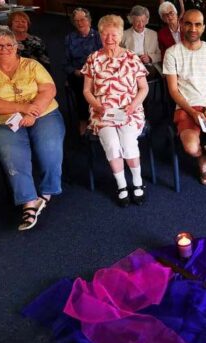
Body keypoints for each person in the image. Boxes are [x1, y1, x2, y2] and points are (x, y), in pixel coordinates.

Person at [0, 26, 65, 231]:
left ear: (16, 47)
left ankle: (48, 190)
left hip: (43, 112)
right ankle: (29, 202)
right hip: (1, 120)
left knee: (50, 147)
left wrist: (32, 112)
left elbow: (48, 89)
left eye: (9, 45)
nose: (4, 49)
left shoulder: (32, 65)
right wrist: (22, 108)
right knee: (13, 156)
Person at [82, 15, 150, 207]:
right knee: (112, 144)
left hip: (130, 110)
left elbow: (144, 88)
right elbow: (86, 90)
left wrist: (132, 106)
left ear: (120, 35)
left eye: (114, 34)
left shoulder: (132, 58)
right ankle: (121, 185)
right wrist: (97, 106)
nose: (109, 38)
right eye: (105, 34)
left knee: (128, 142)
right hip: (102, 112)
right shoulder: (93, 59)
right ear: (100, 35)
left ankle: (137, 182)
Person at [163, 10, 206, 185]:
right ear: (181, 24)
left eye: (197, 24)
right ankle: (205, 158)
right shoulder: (172, 53)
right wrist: (192, 112)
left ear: (203, 28)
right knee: (191, 147)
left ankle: (205, 160)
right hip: (186, 107)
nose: (193, 28)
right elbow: (173, 90)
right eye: (188, 23)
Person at [63, 8, 102, 133]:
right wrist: (75, 71)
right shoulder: (70, 38)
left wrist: (94, 71)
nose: (80, 23)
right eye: (76, 21)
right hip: (78, 74)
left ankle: (99, 116)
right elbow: (65, 62)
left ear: (89, 20)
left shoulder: (98, 36)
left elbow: (104, 58)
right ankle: (84, 120)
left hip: (97, 72)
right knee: (82, 88)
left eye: (83, 19)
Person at [120, 6, 162, 76]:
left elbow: (160, 55)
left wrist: (150, 58)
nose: (140, 24)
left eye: (143, 21)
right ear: (131, 20)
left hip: (149, 67)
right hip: (130, 67)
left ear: (147, 20)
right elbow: (118, 54)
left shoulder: (154, 34)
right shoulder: (123, 35)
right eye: (137, 21)